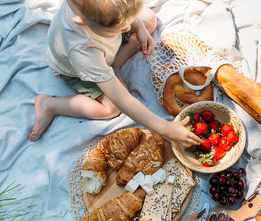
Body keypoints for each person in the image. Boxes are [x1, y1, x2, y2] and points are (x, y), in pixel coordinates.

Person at [28, 0, 201, 147]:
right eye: (120, 27)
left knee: (148, 18)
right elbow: (123, 99)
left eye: (128, 22)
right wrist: (166, 128)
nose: (127, 27)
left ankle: (114, 66)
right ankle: (51, 105)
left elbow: (126, 20)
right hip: (76, 71)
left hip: (106, 50)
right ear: (81, 21)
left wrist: (138, 26)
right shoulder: (81, 50)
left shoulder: (99, 14)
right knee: (111, 108)